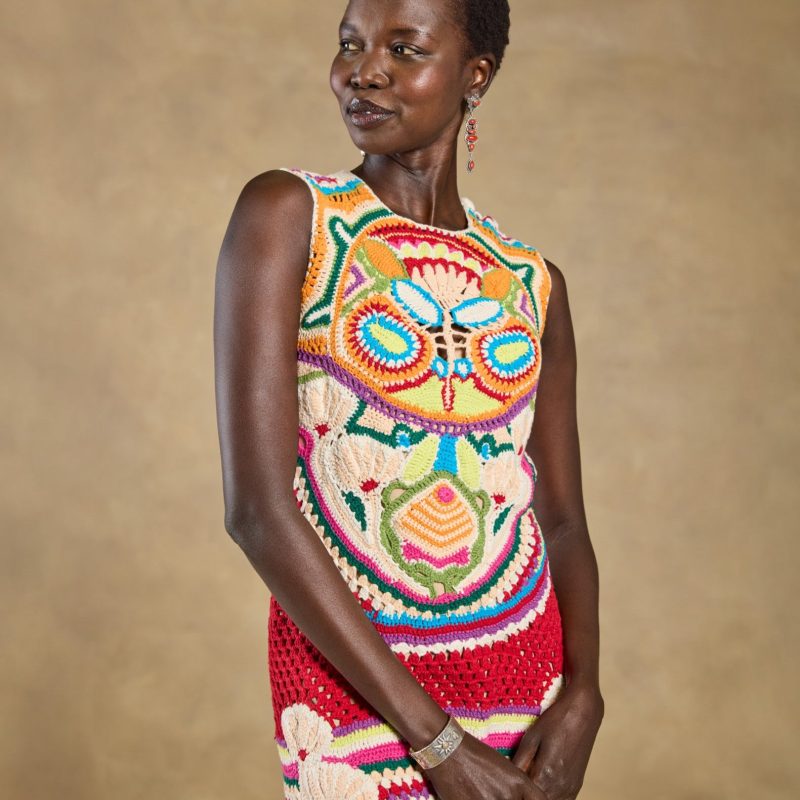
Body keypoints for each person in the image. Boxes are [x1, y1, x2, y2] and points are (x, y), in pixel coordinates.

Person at [213, 1, 603, 798]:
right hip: (350, 679)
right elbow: (257, 511)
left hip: (522, 672)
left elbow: (561, 519)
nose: (364, 72)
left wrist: (585, 693)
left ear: (475, 76)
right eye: (350, 45)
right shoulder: (289, 216)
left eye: (405, 49)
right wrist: (439, 743)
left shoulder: (533, 282)